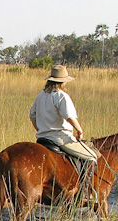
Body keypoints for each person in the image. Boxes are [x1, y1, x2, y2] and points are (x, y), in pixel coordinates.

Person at [29, 64, 100, 204]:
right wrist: (79, 130)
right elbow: (69, 117)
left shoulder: (41, 95)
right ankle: (83, 195)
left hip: (42, 139)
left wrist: (40, 129)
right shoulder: (62, 96)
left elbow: (32, 115)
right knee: (92, 158)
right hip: (61, 139)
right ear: (63, 81)